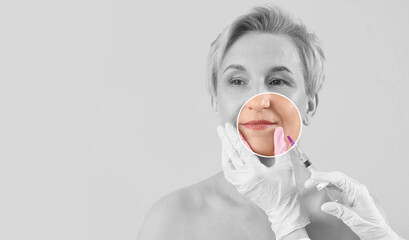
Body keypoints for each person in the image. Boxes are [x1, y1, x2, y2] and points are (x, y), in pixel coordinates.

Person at [137, 5, 404, 240]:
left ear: (309, 105)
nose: (259, 98)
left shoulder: (352, 216)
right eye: (238, 81)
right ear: (215, 102)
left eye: (277, 81)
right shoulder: (171, 221)